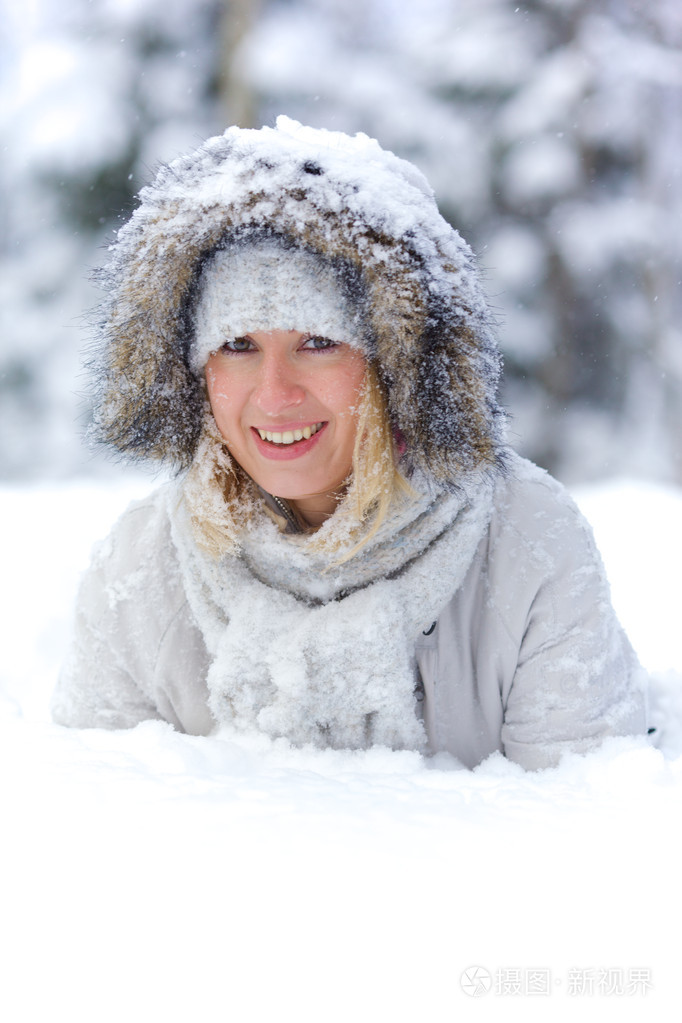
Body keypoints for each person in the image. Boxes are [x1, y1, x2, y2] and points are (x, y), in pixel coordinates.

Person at [52, 116, 647, 770]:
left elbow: (588, 828)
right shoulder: (142, 572)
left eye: (318, 342)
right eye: (238, 345)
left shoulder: (525, 545)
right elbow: (99, 833)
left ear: (397, 369)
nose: (275, 394)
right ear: (197, 375)